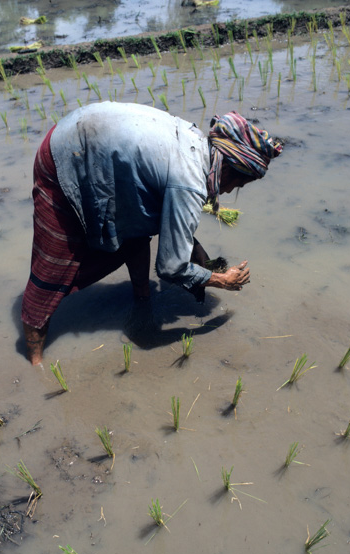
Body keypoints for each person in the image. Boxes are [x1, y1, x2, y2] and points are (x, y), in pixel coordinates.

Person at [22, 102, 282, 365]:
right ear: (228, 167)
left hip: (89, 137)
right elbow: (171, 267)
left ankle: (142, 300)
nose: (230, 190)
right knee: (52, 268)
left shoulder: (196, 143)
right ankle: (35, 363)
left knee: (136, 229)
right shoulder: (189, 181)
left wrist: (195, 248)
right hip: (66, 155)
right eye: (240, 182)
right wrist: (221, 280)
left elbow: (161, 208)